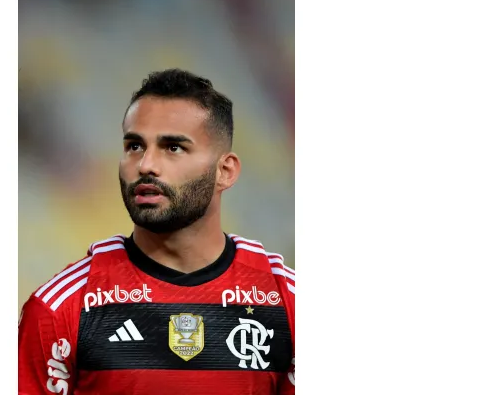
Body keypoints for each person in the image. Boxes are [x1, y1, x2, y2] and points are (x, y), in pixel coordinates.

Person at [18, 69, 295, 394]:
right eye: (134, 146)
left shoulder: (287, 301)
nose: (146, 164)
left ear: (225, 171)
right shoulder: (61, 310)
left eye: (173, 147)